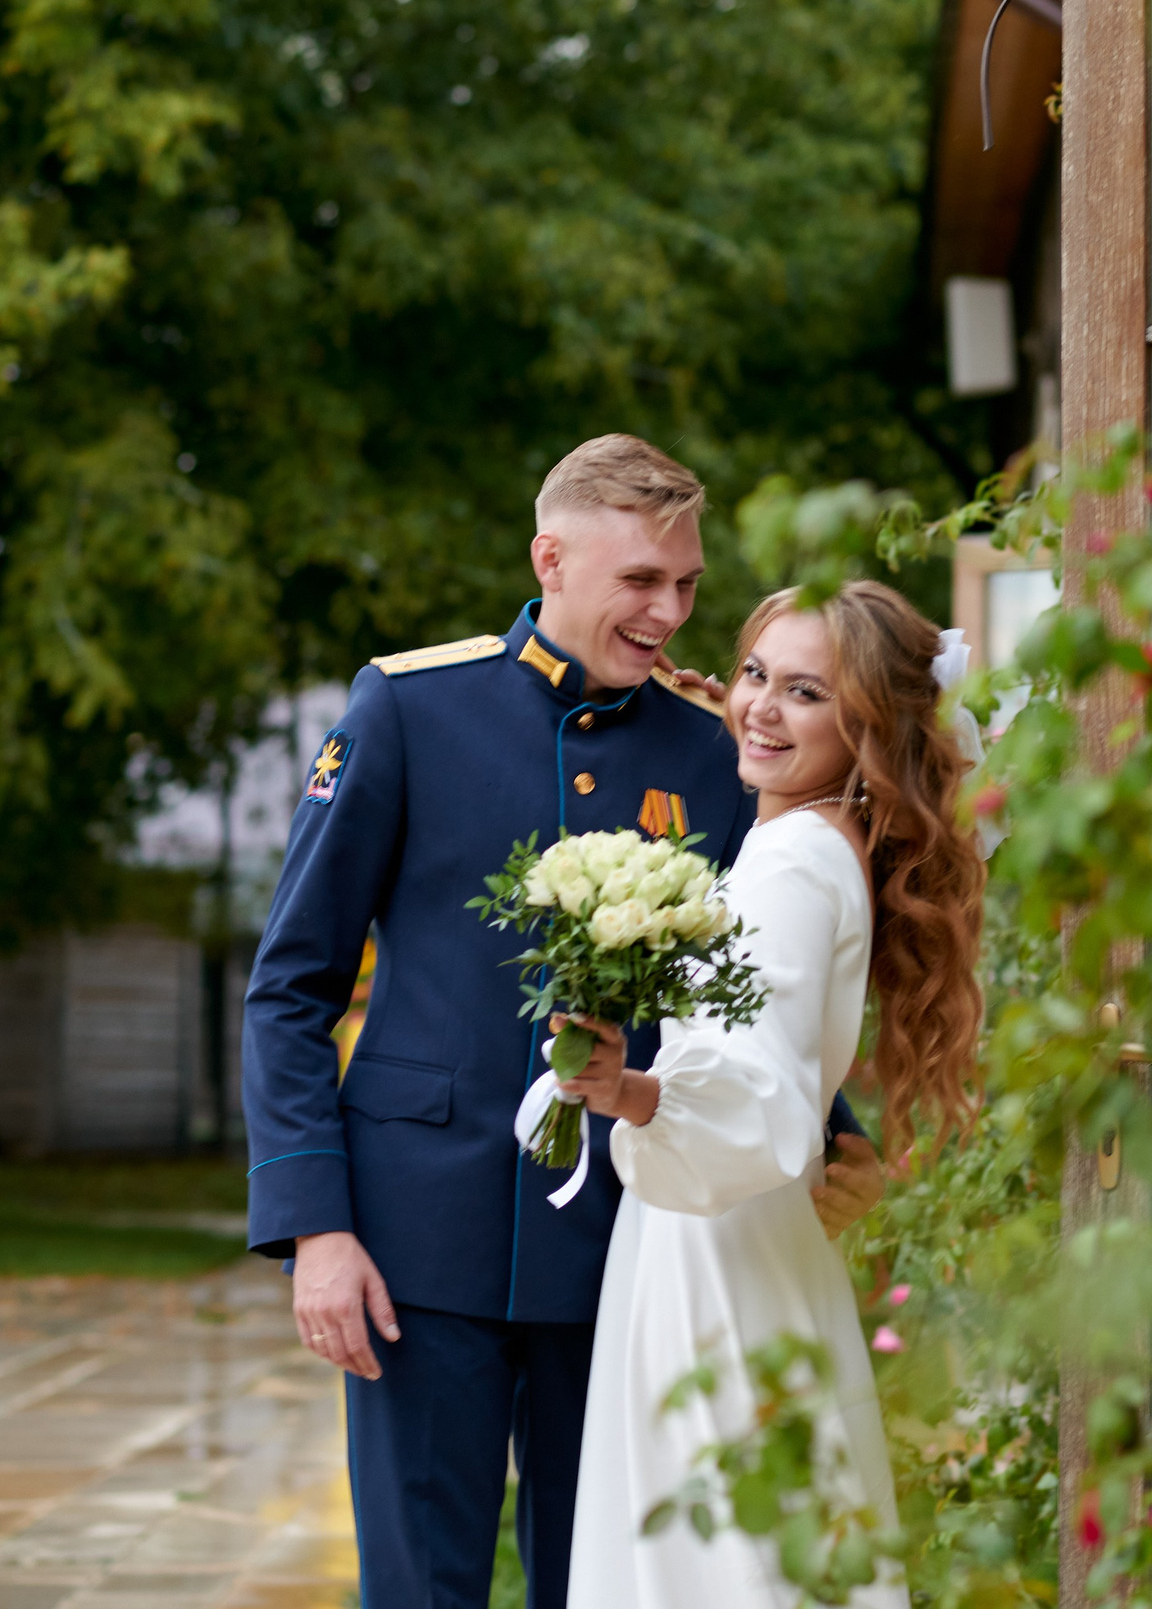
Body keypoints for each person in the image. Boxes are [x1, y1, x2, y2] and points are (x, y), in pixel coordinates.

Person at [238, 435, 887, 1609]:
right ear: (551, 557)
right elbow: (292, 983)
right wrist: (312, 1226)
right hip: (411, 1243)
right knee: (421, 1586)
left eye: (686, 584)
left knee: (600, 1582)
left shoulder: (711, 755)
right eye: (643, 580)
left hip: (621, 1249)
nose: (670, 612)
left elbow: (739, 984)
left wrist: (826, 1129)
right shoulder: (408, 706)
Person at [558, 581, 987, 1609]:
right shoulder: (811, 839)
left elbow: (764, 1105)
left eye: (805, 692)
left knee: (716, 1565)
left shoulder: (791, 861)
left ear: (868, 727)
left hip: (719, 1249)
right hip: (728, 1235)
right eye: (754, 674)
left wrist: (632, 1094)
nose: (757, 707)